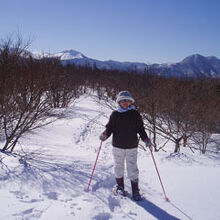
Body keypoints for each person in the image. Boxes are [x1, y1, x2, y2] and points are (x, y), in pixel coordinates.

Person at [99, 91, 152, 201]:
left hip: (131, 146)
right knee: (119, 166)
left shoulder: (135, 114)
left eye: (127, 101)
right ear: (119, 102)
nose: (125, 103)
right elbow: (110, 128)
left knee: (132, 167)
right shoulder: (115, 114)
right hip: (117, 146)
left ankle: (135, 190)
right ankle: (120, 186)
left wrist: (146, 139)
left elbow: (140, 129)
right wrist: (105, 134)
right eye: (123, 101)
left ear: (131, 102)